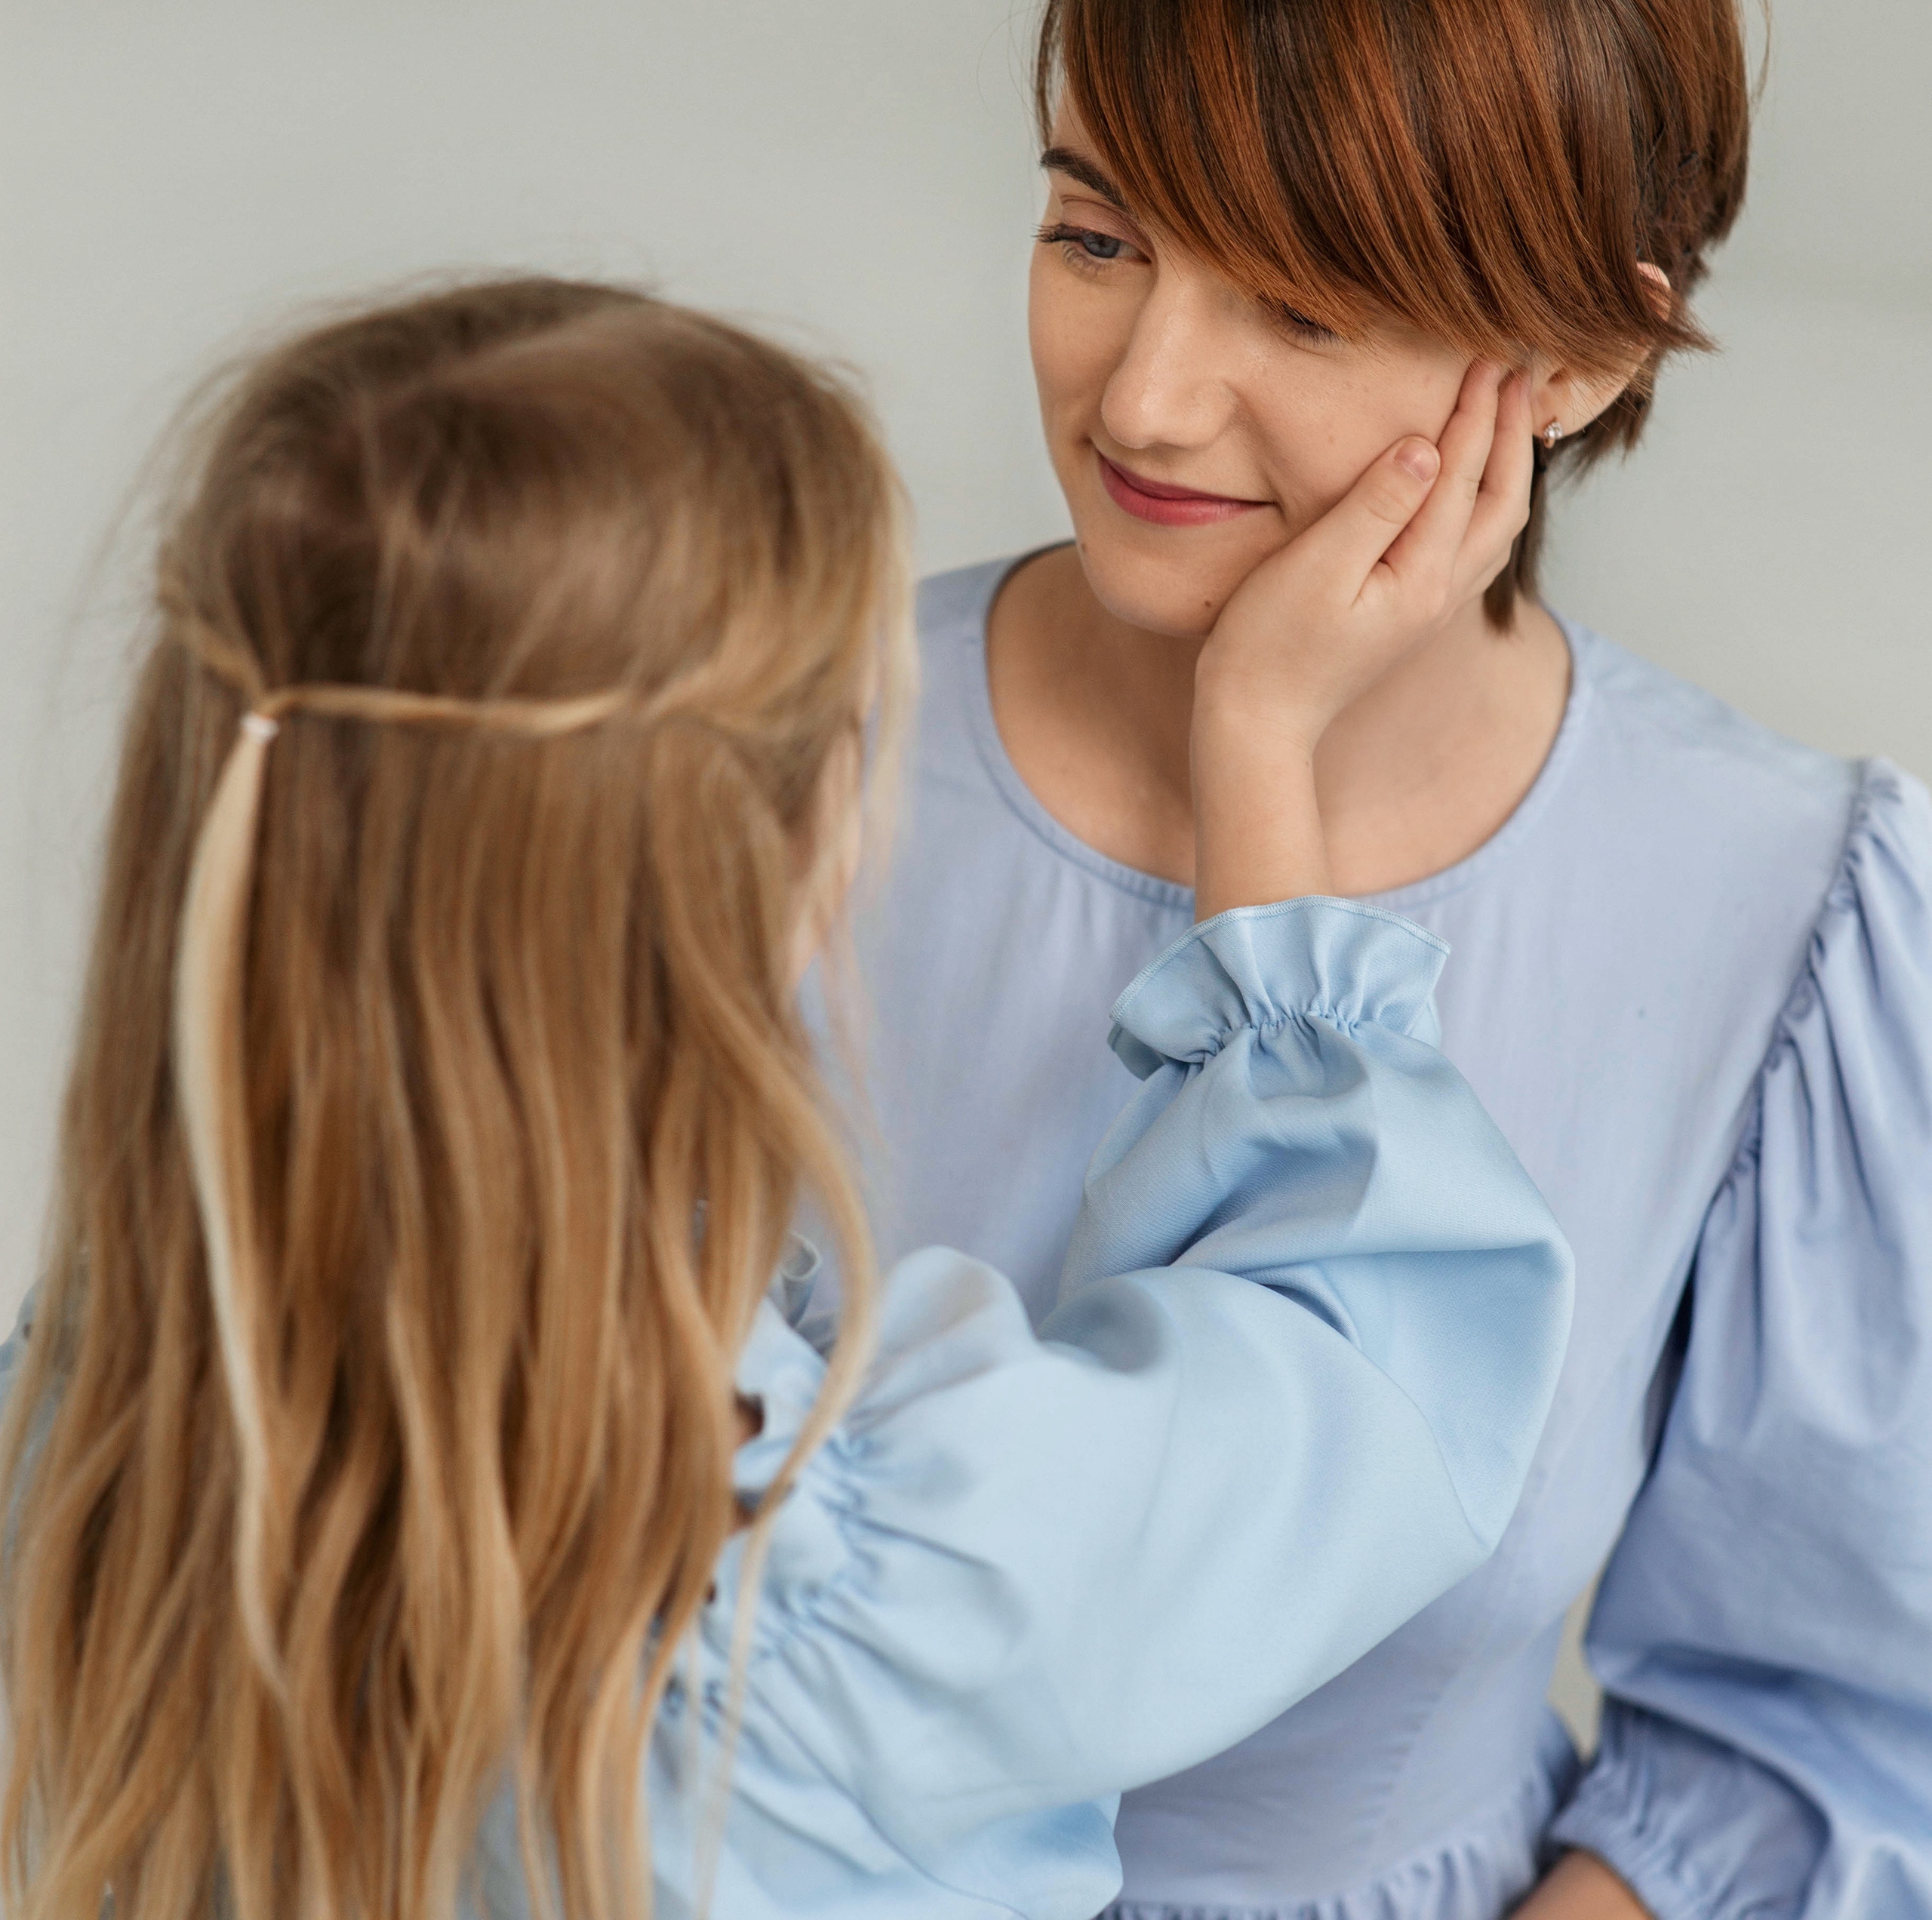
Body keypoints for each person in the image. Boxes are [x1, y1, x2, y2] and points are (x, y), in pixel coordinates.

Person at [0, 277, 1571, 1920]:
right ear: (760, 860)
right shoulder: (837, 1594)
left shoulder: (88, 1422)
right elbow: (1365, 1353)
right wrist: (1256, 737)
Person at [840, 0, 1932, 1917]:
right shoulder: (734, 765)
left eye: (1300, 304)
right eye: (1095, 236)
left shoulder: (1780, 906)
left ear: (1577, 353)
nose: (1145, 398)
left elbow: (1803, 1745)